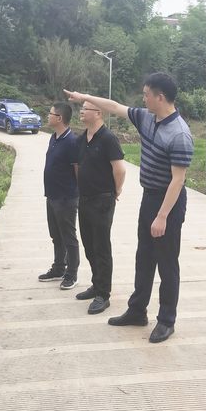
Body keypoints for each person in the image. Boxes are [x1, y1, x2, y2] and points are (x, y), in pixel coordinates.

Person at [65, 72, 193, 343]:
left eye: (146, 94)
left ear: (160, 97)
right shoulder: (147, 118)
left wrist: (162, 216)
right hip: (149, 197)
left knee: (167, 263)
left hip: (168, 203)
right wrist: (84, 97)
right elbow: (114, 106)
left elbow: (178, 180)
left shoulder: (180, 133)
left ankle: (166, 320)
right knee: (144, 257)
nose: (142, 98)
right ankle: (137, 310)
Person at [74, 101, 126, 315]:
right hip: (84, 199)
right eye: (81, 108)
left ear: (98, 113)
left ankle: (103, 294)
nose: (81, 111)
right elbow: (77, 166)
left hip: (102, 200)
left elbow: (120, 169)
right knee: (89, 244)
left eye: (85, 109)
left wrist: (116, 191)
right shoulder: (81, 139)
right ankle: (96, 284)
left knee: (101, 247)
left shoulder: (108, 138)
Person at [38, 102, 80, 290]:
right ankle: (58, 268)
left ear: (59, 118)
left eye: (50, 113)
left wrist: (77, 194)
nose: (48, 116)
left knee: (68, 237)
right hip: (52, 195)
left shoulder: (72, 142)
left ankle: (72, 274)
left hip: (66, 198)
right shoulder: (54, 137)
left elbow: (78, 170)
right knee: (56, 235)